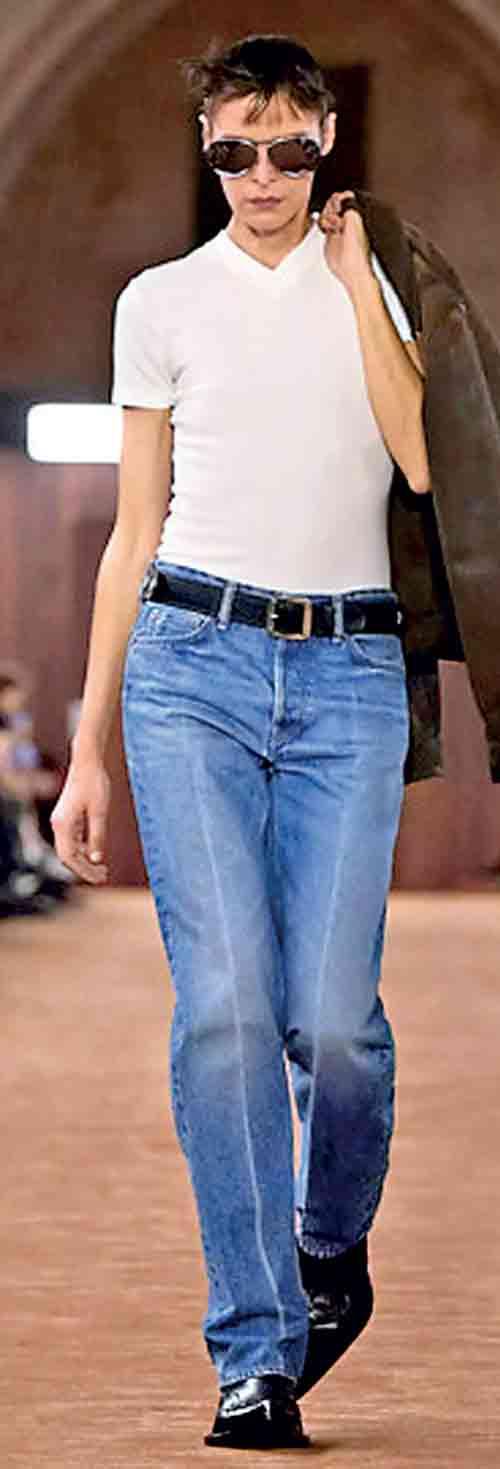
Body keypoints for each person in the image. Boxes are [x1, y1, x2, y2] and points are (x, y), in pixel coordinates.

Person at [51, 33, 430, 1452]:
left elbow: (423, 456)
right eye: (233, 151)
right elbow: (133, 534)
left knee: (333, 1024)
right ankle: (255, 1351)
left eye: (285, 148)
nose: (261, 176)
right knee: (222, 1010)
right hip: (188, 669)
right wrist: (88, 750)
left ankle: (329, 1247)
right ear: (207, 152)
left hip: (350, 675)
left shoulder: (378, 279)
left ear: (325, 140)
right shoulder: (160, 302)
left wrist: (356, 281)